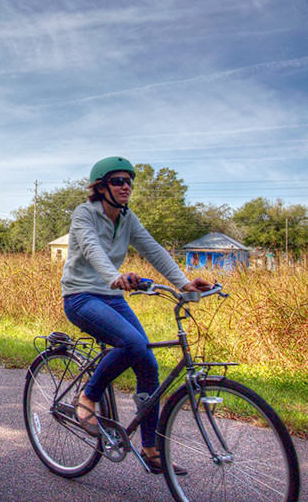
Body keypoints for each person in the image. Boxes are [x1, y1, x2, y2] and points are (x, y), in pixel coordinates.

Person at [61, 157, 212, 475]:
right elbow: (91, 248)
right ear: (101, 187)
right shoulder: (84, 213)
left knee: (148, 362)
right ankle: (88, 398)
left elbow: (153, 249)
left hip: (113, 298)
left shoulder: (128, 218)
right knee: (132, 343)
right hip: (81, 296)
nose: (126, 186)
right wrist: (113, 275)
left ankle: (151, 450)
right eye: (118, 181)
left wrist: (184, 283)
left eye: (129, 181)